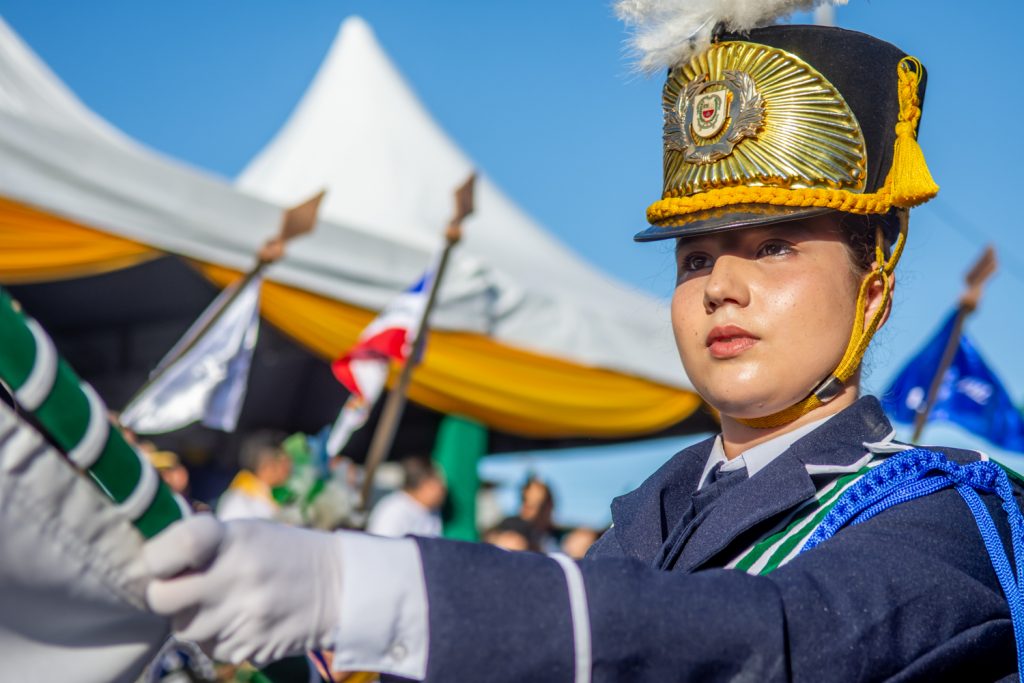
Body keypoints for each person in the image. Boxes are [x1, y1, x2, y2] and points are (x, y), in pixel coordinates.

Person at [142, 12, 1024, 683]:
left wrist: (372, 589)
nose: (722, 284)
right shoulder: (646, 517)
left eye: (776, 246)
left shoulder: (944, 517)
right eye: (698, 257)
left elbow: (770, 634)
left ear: (873, 290)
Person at [216, 430, 292, 522]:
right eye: (284, 460)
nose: (290, 465)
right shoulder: (241, 502)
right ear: (268, 466)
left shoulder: (265, 494)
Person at [366, 456, 446, 538]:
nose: (443, 488)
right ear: (422, 483)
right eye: (437, 481)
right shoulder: (393, 510)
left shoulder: (434, 511)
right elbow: (382, 546)